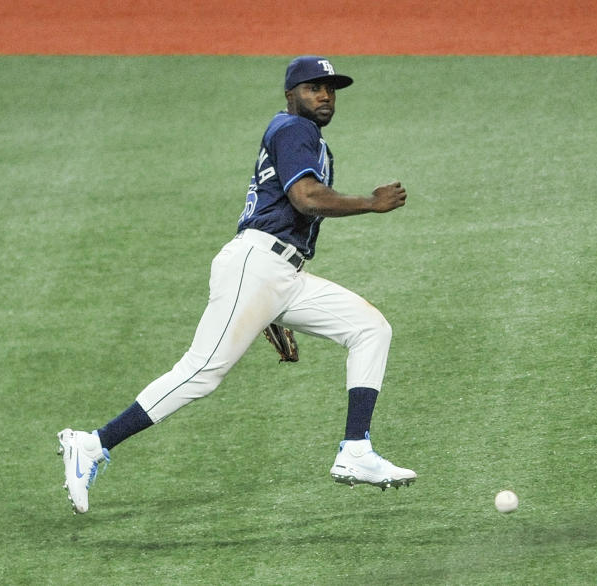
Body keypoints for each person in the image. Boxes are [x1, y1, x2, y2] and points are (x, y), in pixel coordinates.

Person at [57, 56, 415, 514]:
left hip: (282, 274)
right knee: (203, 371)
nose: (324, 96)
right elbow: (304, 199)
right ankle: (92, 443)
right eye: (313, 87)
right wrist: (370, 202)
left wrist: (269, 307)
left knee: (370, 328)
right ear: (291, 94)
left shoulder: (306, 139)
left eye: (330, 89)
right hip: (258, 264)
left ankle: (355, 450)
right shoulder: (293, 129)